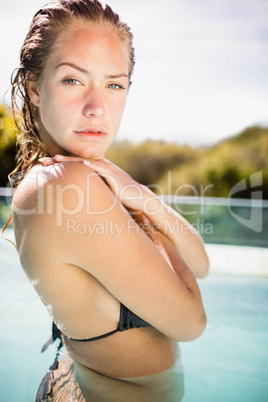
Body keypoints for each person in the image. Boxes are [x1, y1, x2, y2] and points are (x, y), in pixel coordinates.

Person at [8, 0, 209, 400]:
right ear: (33, 88)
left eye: (114, 84)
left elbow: (200, 262)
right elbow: (191, 323)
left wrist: (134, 190)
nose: (97, 107)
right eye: (72, 80)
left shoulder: (88, 176)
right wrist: (143, 206)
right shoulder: (66, 184)